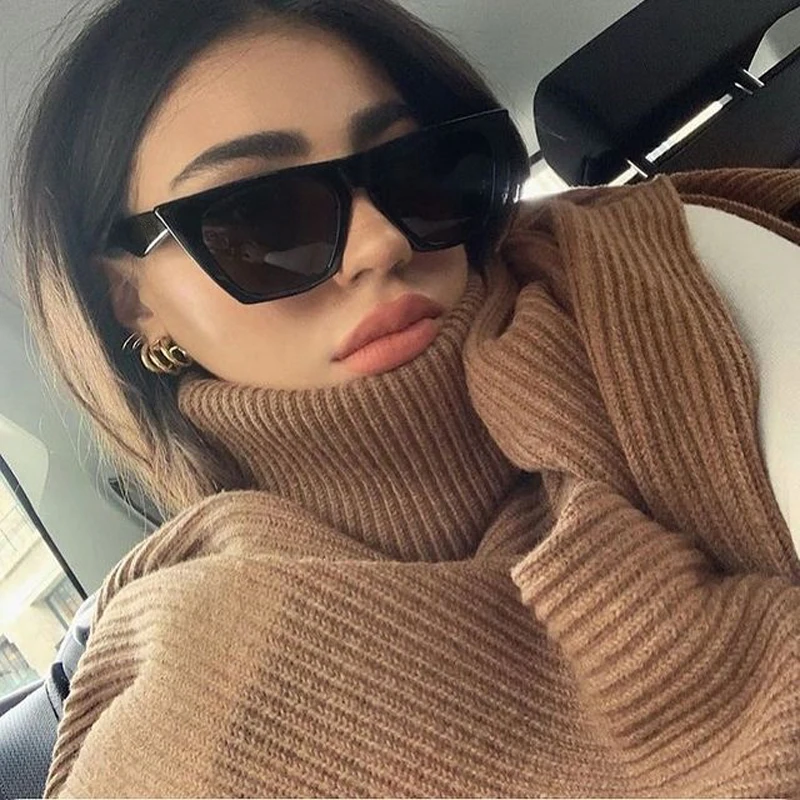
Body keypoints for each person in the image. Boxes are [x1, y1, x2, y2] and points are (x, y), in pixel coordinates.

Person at [9, 0, 799, 796]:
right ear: (132, 301)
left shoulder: (679, 280)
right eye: (261, 217)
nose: (381, 242)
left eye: (412, 168)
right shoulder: (184, 714)